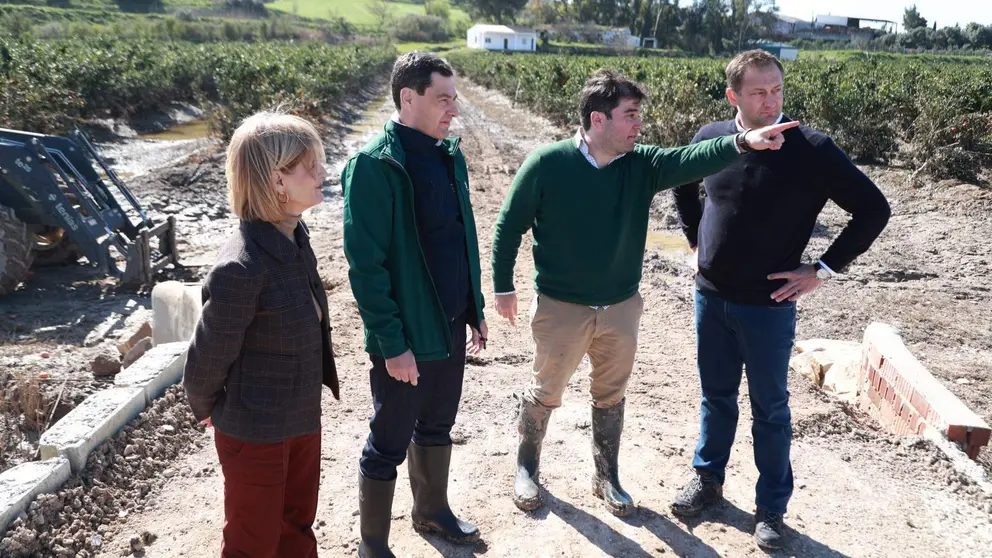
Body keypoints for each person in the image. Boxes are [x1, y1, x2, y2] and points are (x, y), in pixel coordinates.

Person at [491, 68, 799, 518]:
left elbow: (694, 158)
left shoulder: (643, 165)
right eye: (630, 115)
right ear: (598, 120)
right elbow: (508, 226)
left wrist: (740, 142)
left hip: (620, 307)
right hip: (562, 306)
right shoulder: (547, 163)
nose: (639, 125)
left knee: (610, 394)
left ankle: (606, 475)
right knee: (546, 391)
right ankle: (527, 466)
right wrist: (503, 286)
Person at [670, 49, 891, 549]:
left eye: (777, 90)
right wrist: (691, 242)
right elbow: (682, 183)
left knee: (770, 408)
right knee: (716, 397)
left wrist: (822, 269)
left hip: (768, 306)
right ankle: (707, 479)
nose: (771, 102)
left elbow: (874, 209)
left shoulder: (812, 149)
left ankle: (770, 507)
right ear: (734, 97)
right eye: (758, 92)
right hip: (710, 297)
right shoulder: (711, 140)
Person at [341, 52, 487, 557]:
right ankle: (373, 545)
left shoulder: (450, 156)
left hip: (448, 327)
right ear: (409, 98)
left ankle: (431, 510)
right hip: (405, 337)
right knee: (387, 442)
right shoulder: (374, 166)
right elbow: (367, 267)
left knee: (438, 426)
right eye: (443, 98)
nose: (454, 109)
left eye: (455, 98)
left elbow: (460, 239)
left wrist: (475, 308)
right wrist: (391, 345)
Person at [182, 111, 340, 558]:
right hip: (255, 432)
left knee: (296, 530)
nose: (322, 173)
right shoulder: (241, 267)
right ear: (277, 181)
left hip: (300, 419)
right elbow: (207, 358)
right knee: (254, 542)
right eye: (310, 166)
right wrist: (207, 407)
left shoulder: (294, 236)